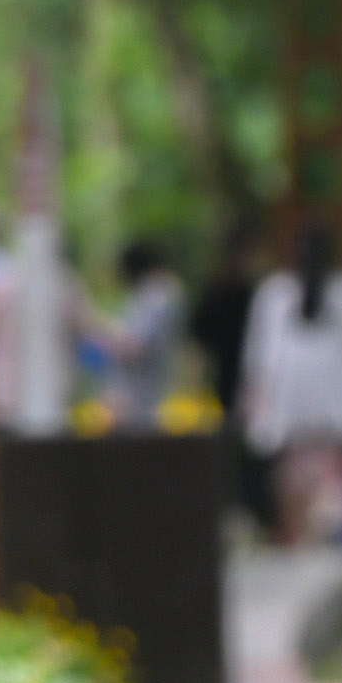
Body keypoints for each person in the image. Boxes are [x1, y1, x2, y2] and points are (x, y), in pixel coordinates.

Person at [242, 225, 342, 546]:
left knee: (291, 480)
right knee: (330, 478)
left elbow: (259, 357)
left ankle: (295, 541)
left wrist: (253, 405)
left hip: (286, 406)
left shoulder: (274, 292)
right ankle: (323, 538)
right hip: (336, 406)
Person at [190, 225, 273, 530]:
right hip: (237, 384)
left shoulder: (252, 292)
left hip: (246, 385)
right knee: (241, 455)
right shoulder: (253, 294)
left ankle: (246, 514)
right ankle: (243, 513)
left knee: (244, 454)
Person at [98, 237, 187, 431]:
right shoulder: (159, 292)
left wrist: (99, 329)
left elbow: (136, 346)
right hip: (144, 402)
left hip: (142, 405)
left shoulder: (157, 294)